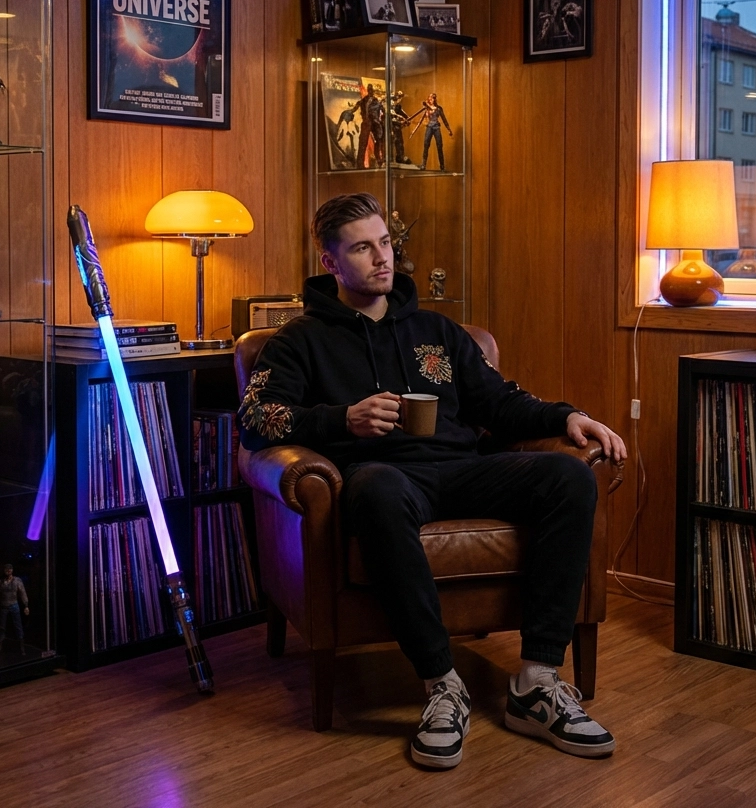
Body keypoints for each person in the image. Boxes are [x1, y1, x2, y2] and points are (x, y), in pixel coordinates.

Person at [239, 192, 625, 769]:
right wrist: (342, 418)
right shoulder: (299, 341)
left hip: (463, 469)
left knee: (567, 476)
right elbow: (255, 420)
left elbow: (498, 400)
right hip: (384, 479)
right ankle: (442, 684)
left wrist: (565, 416)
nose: (382, 258)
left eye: (386, 244)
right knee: (376, 487)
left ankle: (537, 682)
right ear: (331, 261)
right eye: (363, 248)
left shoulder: (437, 331)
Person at [0, 563, 29, 655]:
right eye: (6, 569)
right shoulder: (0, 582)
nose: (8, 571)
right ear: (4, 570)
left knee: (18, 626)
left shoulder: (17, 580)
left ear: (12, 570)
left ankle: (21, 646)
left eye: (10, 569)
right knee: (1, 627)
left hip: (14, 605)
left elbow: (22, 593)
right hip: (4, 606)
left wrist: (26, 605)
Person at [417, 92, 451, 172]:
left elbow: (444, 119)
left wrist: (448, 129)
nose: (430, 100)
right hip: (429, 127)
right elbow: (423, 118)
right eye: (430, 98)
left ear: (435, 99)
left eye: (432, 98)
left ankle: (442, 166)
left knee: (439, 145)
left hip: (436, 127)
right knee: (426, 144)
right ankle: (423, 164)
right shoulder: (427, 108)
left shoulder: (438, 108)